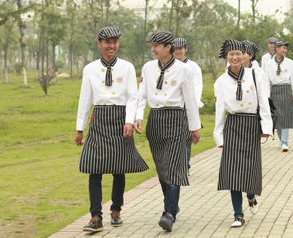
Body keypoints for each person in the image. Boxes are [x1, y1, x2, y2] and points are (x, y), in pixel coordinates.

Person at [75, 27, 149, 233]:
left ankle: (116, 209)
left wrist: (129, 121)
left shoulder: (126, 67)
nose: (111, 45)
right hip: (99, 119)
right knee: (94, 168)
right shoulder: (89, 69)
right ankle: (95, 216)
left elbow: (133, 97)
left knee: (119, 167)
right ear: (99, 43)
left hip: (120, 119)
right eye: (107, 42)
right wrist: (79, 128)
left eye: (115, 41)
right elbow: (85, 99)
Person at [135, 31, 201, 232]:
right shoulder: (147, 67)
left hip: (176, 119)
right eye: (152, 45)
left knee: (173, 167)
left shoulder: (184, 70)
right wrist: (138, 116)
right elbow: (142, 95)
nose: (154, 48)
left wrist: (194, 126)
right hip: (155, 120)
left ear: (168, 47)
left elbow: (190, 99)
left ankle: (169, 213)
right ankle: (173, 204)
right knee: (163, 168)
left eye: (158, 45)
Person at [214, 39, 273, 228]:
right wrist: (219, 136)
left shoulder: (255, 74)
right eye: (231, 54)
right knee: (232, 171)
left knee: (249, 169)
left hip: (251, 124)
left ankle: (251, 194)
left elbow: (263, 101)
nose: (235, 57)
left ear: (245, 56)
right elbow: (219, 110)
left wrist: (266, 127)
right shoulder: (221, 81)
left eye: (239, 53)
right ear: (226, 57)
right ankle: (238, 214)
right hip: (232, 125)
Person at [173, 37, 204, 173]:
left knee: (187, 136)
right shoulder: (170, 65)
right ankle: (176, 164)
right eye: (176, 48)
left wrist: (193, 105)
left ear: (185, 49)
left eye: (181, 48)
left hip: (189, 106)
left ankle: (185, 165)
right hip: (175, 106)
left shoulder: (193, 66)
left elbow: (197, 86)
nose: (178, 51)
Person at [265, 40, 293, 152]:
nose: (285, 50)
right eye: (283, 48)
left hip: (285, 89)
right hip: (274, 90)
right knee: (277, 117)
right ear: (276, 48)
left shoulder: (290, 62)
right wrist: (266, 95)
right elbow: (266, 80)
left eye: (286, 48)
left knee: (285, 116)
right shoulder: (269, 63)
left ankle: (285, 142)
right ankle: (281, 139)